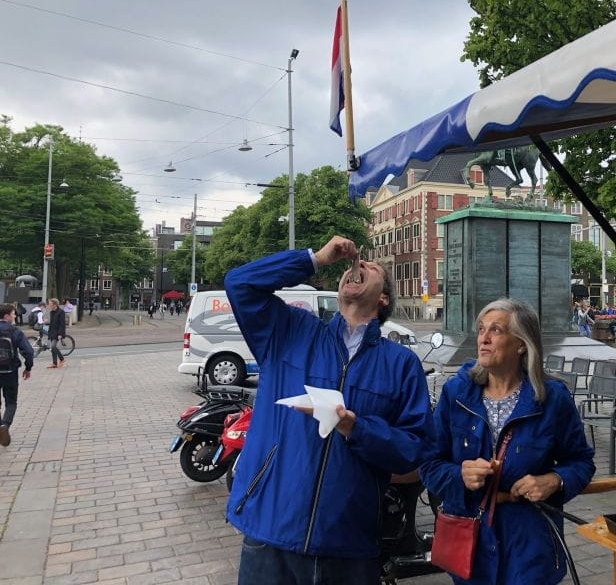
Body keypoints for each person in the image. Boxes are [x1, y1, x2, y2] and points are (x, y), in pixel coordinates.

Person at [224, 236, 434, 585]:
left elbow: (415, 450)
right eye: (357, 265)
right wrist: (316, 259)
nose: (359, 266)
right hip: (270, 531)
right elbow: (239, 283)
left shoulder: (401, 364)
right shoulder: (290, 330)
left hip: (347, 544)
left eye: (372, 267)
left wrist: (357, 429)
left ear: (383, 299)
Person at [421, 298, 595, 585]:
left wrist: (554, 480)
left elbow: (581, 462)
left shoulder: (552, 399)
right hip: (470, 546)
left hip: (529, 545)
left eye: (496, 330)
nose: (484, 339)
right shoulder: (457, 393)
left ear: (521, 344)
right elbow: (429, 463)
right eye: (480, 329)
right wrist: (459, 475)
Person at [0, 303, 34, 447]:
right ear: (7, 315)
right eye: (14, 314)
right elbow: (28, 352)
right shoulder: (15, 331)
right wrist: (28, 367)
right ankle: (5, 426)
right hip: (10, 372)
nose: (15, 316)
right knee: (11, 402)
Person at [45, 298, 67, 369]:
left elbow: (62, 324)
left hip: (58, 332)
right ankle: (54, 363)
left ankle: (62, 359)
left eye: (50, 304)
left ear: (55, 304)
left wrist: (60, 334)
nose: (49, 305)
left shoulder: (61, 312)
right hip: (52, 332)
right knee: (52, 348)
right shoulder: (51, 312)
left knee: (53, 346)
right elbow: (52, 323)